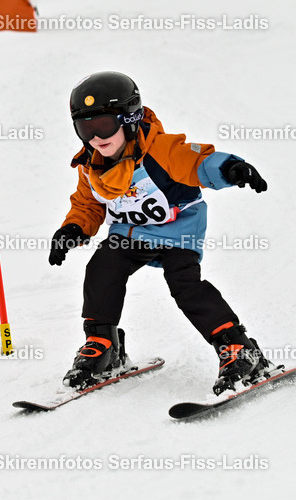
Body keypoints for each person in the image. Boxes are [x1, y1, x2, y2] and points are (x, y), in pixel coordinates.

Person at [48, 72, 272, 395]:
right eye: (86, 128)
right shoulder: (91, 166)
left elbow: (198, 162)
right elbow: (88, 205)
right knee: (101, 268)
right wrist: (71, 229)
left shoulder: (160, 150)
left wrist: (229, 169)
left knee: (185, 285)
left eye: (105, 126)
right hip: (129, 233)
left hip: (177, 232)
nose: (97, 138)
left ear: (129, 119)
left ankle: (238, 347)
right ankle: (103, 344)